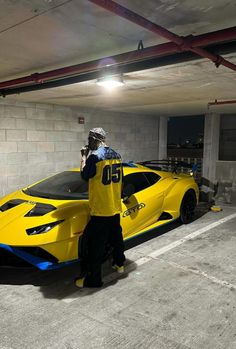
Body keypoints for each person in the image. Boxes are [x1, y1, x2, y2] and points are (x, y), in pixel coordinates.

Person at [75, 127, 126, 288]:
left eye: (90, 139)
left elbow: (84, 176)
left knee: (94, 245)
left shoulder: (94, 157)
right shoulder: (117, 155)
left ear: (96, 139)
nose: (88, 142)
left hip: (101, 209)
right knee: (117, 237)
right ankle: (119, 264)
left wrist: (83, 157)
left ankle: (93, 280)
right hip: (114, 206)